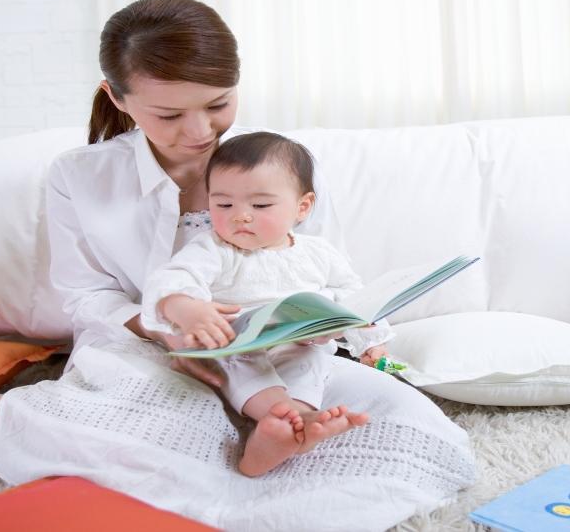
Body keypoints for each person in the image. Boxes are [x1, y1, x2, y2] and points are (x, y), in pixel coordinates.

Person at [0, 0, 473, 531]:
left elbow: (314, 267)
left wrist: (337, 328)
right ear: (117, 99)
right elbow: (85, 294)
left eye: (218, 105)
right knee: (153, 430)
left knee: (403, 424)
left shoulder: (277, 165)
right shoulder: (81, 176)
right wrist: (163, 329)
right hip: (142, 347)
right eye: (169, 115)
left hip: (273, 348)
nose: (199, 132)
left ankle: (276, 432)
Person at [142, 131, 391, 477]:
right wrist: (185, 307)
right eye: (224, 204)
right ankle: (283, 418)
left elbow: (354, 298)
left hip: (297, 341)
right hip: (238, 341)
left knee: (311, 361)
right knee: (239, 360)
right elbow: (173, 277)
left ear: (302, 207)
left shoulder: (318, 253)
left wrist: (371, 342)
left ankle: (286, 428)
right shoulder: (215, 249)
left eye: (260, 206)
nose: (240, 216)